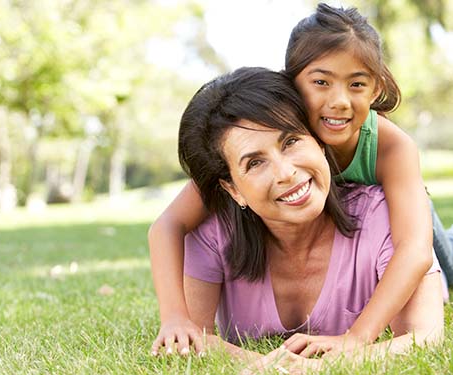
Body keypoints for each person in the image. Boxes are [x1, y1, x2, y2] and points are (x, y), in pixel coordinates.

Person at [149, 3, 451, 357]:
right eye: (321, 82)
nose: (338, 102)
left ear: (375, 88)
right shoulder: (268, 124)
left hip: (413, 230)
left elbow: (414, 250)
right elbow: (168, 223)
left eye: (356, 84)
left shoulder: (391, 146)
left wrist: (358, 337)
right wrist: (173, 316)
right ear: (291, 83)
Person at [178, 67, 443, 373]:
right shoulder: (211, 234)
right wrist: (269, 365)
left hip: (427, 247)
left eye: (290, 141)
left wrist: (323, 366)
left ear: (318, 141)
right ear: (233, 189)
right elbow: (192, 336)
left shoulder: (386, 218)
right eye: (255, 162)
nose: (286, 172)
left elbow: (424, 335)